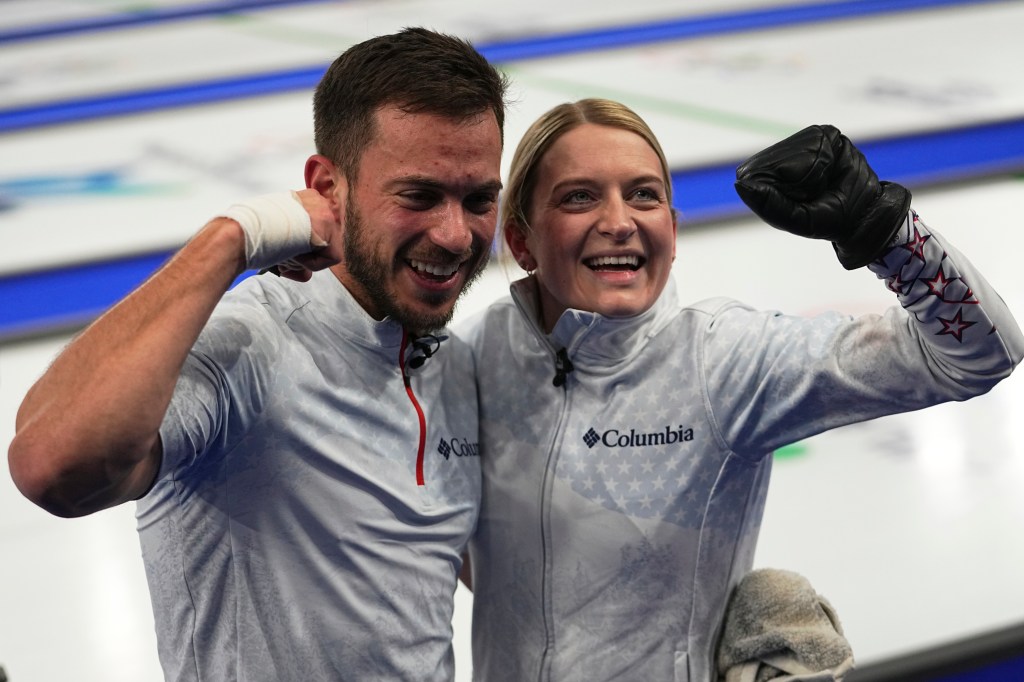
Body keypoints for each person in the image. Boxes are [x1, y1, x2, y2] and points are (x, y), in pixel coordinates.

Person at [457, 98, 1023, 681]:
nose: (619, 220)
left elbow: (978, 353)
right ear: (521, 241)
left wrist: (881, 230)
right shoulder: (471, 361)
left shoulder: (724, 361)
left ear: (671, 234)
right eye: (580, 196)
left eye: (644, 194)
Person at [8, 28, 508, 681]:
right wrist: (229, 239)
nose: (453, 234)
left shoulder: (448, 364)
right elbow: (52, 468)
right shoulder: (249, 345)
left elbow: (494, 572)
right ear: (327, 187)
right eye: (418, 196)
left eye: (479, 200)